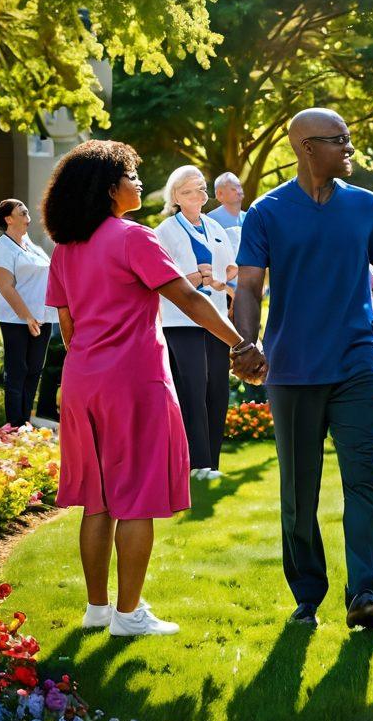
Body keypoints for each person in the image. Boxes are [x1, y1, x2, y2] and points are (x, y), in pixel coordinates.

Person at [232, 108, 373, 631]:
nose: (350, 149)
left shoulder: (364, 204)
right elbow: (251, 285)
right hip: (292, 369)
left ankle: (365, 592)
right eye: (339, 141)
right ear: (306, 147)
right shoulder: (266, 211)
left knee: (364, 479)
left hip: (355, 364)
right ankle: (307, 594)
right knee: (299, 488)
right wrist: (245, 342)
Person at [43, 140, 245, 637]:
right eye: (132, 176)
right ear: (110, 189)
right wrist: (241, 346)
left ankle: (96, 609)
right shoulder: (134, 238)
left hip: (84, 381)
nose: (139, 183)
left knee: (100, 501)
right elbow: (192, 302)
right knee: (136, 498)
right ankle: (129, 616)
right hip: (134, 380)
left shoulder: (65, 250)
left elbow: (68, 331)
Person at [156, 168, 238, 481]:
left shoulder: (215, 226)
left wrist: (218, 280)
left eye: (201, 190)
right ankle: (196, 464)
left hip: (215, 319)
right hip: (181, 321)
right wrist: (195, 279)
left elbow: (230, 270)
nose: (198, 197)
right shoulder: (165, 230)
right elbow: (166, 277)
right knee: (192, 386)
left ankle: (211, 464)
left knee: (217, 388)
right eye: (189, 191)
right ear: (175, 196)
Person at [0, 200, 57, 425]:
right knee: (17, 371)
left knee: (35, 369)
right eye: (23, 212)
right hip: (16, 319)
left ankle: (25, 423)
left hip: (41, 316)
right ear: (9, 219)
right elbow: (6, 287)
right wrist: (26, 316)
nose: (28, 214)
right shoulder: (1, 250)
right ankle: (14, 426)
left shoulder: (28, 242)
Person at [207, 171, 245, 254]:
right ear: (219, 194)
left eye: (239, 187)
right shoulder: (211, 219)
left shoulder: (249, 217)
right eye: (233, 189)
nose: (238, 191)